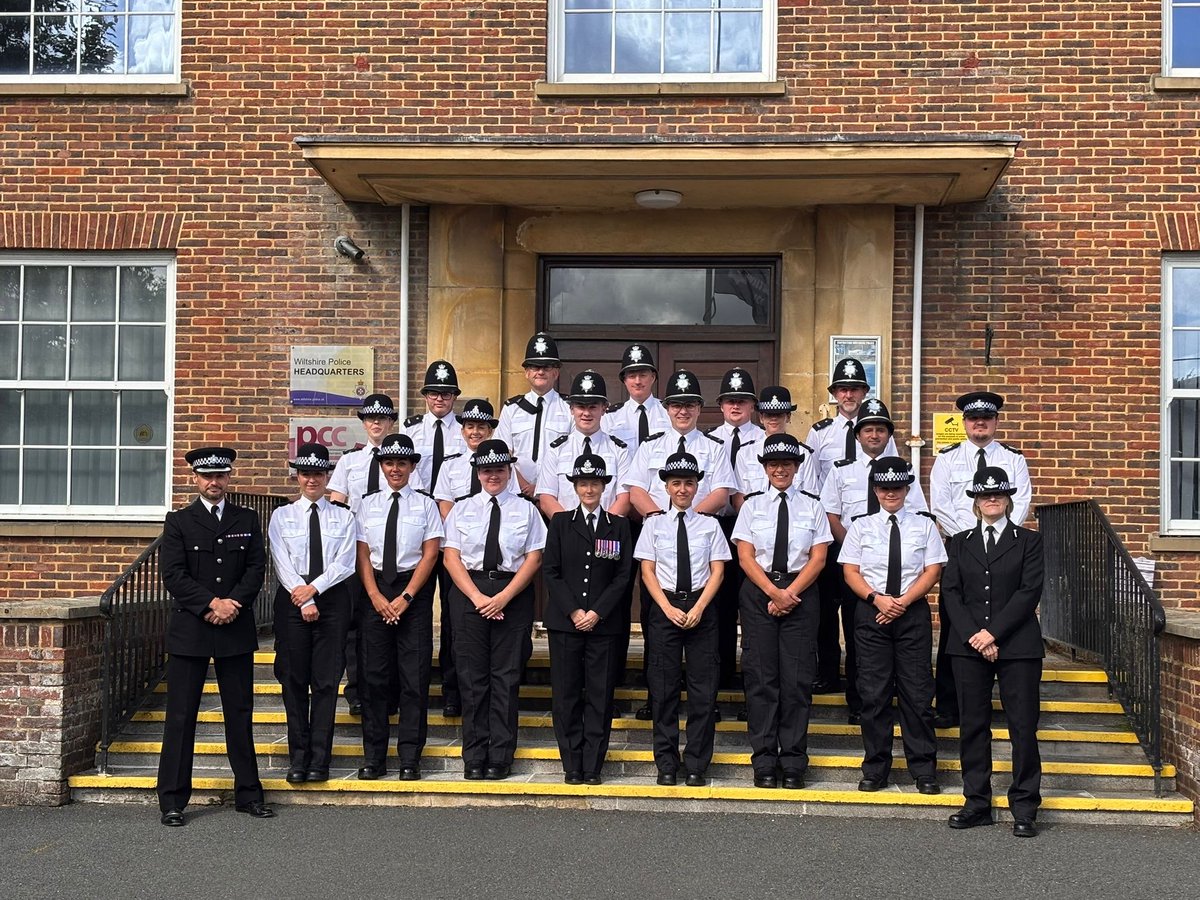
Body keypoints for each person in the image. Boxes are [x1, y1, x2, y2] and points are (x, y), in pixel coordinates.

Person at [157, 446, 271, 826]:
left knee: (239, 713)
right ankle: (173, 800)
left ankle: (249, 794)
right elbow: (173, 575)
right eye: (207, 476)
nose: (214, 482)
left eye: (220, 476)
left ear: (228, 478)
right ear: (195, 478)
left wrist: (233, 604)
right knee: (181, 716)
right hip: (192, 628)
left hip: (234, 628)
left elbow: (256, 569)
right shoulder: (179, 521)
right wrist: (210, 605)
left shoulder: (247, 518)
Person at [623, 369, 738, 720]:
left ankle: (709, 699)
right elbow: (635, 489)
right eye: (676, 405)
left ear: (700, 408)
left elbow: (722, 491)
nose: (682, 411)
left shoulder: (714, 448)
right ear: (667, 407)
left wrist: (691, 517)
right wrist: (664, 516)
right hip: (659, 539)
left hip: (703, 541)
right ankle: (656, 697)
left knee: (710, 624)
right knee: (654, 621)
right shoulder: (650, 445)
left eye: (689, 405)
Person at [940, 466, 1045, 837]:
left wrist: (992, 633)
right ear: (975, 500)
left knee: (1022, 727)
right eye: (985, 495)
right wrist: (975, 636)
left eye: (998, 494)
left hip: (1018, 647)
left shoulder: (1029, 542)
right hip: (968, 648)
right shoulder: (960, 542)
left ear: (1008, 499)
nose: (991, 500)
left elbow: (1028, 592)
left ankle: (1025, 805)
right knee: (973, 726)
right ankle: (977, 802)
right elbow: (950, 593)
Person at [840, 456, 946, 796]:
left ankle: (924, 769)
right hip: (872, 613)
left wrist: (902, 602)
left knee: (917, 694)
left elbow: (932, 571)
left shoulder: (925, 525)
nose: (891, 493)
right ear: (875, 490)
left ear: (906, 488)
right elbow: (851, 572)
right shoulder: (860, 525)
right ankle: (876, 768)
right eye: (885, 488)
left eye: (897, 487)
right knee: (874, 696)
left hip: (911, 612)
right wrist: (877, 600)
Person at [442, 439, 548, 780]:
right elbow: (451, 557)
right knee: (472, 679)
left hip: (511, 595)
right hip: (470, 593)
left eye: (499, 470)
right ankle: (474, 755)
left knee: (506, 677)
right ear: (478, 472)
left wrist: (504, 597)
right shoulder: (461, 508)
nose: (493, 476)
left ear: (508, 472)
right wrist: (476, 598)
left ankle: (500, 755)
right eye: (487, 470)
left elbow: (534, 558)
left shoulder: (526, 509)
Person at [731, 434, 831, 789]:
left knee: (797, 680)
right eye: (773, 464)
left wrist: (789, 593)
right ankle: (764, 761)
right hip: (761, 592)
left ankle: (793, 761)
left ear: (797, 467)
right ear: (764, 468)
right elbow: (745, 556)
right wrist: (774, 592)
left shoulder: (813, 506)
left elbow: (818, 558)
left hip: (801, 592)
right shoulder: (752, 506)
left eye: (786, 464)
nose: (779, 469)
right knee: (761, 679)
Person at [819, 398, 927, 724]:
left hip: (894, 568)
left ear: (888, 434)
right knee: (856, 633)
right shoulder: (842, 470)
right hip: (851, 564)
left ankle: (892, 698)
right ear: (858, 434)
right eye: (869, 429)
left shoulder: (904, 472)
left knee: (893, 634)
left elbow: (920, 513)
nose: (875, 434)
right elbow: (831, 514)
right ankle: (859, 701)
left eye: (881, 429)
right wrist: (853, 548)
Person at [929, 390, 1032, 728]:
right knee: (954, 628)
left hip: (1006, 553)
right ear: (964, 423)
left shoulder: (1013, 458)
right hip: (961, 551)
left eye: (986, 418)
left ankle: (1008, 700)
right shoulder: (947, 458)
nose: (980, 424)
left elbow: (1022, 502)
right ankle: (949, 704)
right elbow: (940, 503)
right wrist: (971, 539)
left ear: (996, 422)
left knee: (1006, 621)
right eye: (973, 419)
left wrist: (998, 538)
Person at [634, 451, 731, 787]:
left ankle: (696, 764)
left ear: (696, 486)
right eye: (676, 483)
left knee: (703, 692)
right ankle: (666, 762)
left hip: (701, 609)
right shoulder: (653, 524)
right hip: (666, 608)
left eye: (689, 483)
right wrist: (666, 607)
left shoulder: (711, 525)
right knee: (663, 690)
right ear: (666, 486)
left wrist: (700, 608)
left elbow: (718, 571)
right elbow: (647, 570)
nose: (682, 489)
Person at [353, 434, 444, 781]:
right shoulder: (367, 504)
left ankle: (409, 757)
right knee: (374, 679)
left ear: (412, 467)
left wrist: (405, 597)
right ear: (381, 466)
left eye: (402, 463)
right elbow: (362, 554)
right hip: (375, 591)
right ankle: (373, 757)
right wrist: (376, 596)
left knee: (413, 679)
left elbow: (431, 553)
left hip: (412, 594)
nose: (395, 469)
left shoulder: (425, 505)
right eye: (389, 463)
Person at [805, 359, 898, 698]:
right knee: (827, 612)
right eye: (842, 388)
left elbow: (894, 478)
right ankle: (827, 672)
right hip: (833, 540)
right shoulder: (819, 432)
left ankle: (864, 681)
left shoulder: (879, 431)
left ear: (863, 392)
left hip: (874, 548)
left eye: (855, 388)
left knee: (863, 613)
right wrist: (843, 542)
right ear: (834, 393)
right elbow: (812, 484)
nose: (848, 394)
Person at [542, 453, 634, 785]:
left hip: (604, 625)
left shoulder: (618, 525)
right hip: (566, 623)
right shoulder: (560, 523)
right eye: (583, 483)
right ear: (575, 487)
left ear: (604, 486)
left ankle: (593, 765)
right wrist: (574, 610)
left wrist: (596, 612)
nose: (589, 489)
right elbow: (551, 572)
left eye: (595, 483)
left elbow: (623, 576)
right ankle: (572, 763)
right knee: (565, 696)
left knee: (599, 695)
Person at [268, 443, 357, 785]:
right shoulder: (282, 515)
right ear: (297, 477)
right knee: (293, 682)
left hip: (331, 600)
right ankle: (298, 758)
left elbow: (344, 562)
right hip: (293, 602)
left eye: (318, 473)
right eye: (305, 473)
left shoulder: (343, 515)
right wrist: (303, 598)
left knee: (326, 682)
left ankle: (320, 760)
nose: (311, 480)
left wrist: (314, 590)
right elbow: (281, 561)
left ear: (327, 476)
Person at [402, 362, 468, 718]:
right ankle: (415, 684)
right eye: (433, 392)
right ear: (425, 396)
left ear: (455, 397)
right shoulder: (410, 432)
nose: (439, 398)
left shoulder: (468, 432)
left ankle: (453, 689)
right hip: (418, 529)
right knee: (419, 610)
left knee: (457, 617)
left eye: (446, 393)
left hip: (456, 531)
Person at [329, 392, 401, 716]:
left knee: (392, 624)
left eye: (382, 418)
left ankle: (390, 691)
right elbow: (337, 502)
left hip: (390, 552)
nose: (375, 423)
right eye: (370, 418)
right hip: (353, 552)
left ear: (391, 422)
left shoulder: (404, 462)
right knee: (354, 625)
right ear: (363, 422)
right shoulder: (350, 462)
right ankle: (356, 690)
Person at [708, 367, 762, 691]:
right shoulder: (711, 441)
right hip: (717, 525)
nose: (736, 406)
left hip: (753, 531)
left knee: (751, 604)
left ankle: (752, 674)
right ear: (721, 405)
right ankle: (722, 672)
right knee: (720, 604)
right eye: (730, 400)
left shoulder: (764, 441)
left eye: (742, 400)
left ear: (753, 405)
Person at [537, 369, 631, 518]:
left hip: (607, 533)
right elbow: (547, 498)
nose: (586, 413)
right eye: (581, 406)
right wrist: (571, 528)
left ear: (604, 409)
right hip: (566, 535)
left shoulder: (619, 450)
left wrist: (601, 527)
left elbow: (624, 499)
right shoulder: (556, 449)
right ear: (571, 409)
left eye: (593, 406)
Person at [497, 332, 571, 497]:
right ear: (526, 372)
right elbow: (503, 453)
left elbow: (572, 454)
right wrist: (524, 486)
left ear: (556, 373)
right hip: (516, 494)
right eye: (535, 367)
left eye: (546, 367)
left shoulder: (569, 409)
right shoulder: (511, 409)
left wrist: (543, 489)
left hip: (558, 495)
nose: (540, 372)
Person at [602, 343, 672, 452]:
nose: (638, 381)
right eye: (632, 376)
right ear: (624, 380)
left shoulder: (668, 412)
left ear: (653, 377)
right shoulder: (611, 417)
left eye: (643, 375)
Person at [753, 386, 820, 493]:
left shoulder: (803, 453)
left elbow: (810, 494)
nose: (773, 418)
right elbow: (740, 498)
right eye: (769, 414)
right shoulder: (746, 452)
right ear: (761, 417)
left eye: (778, 414)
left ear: (788, 417)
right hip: (756, 509)